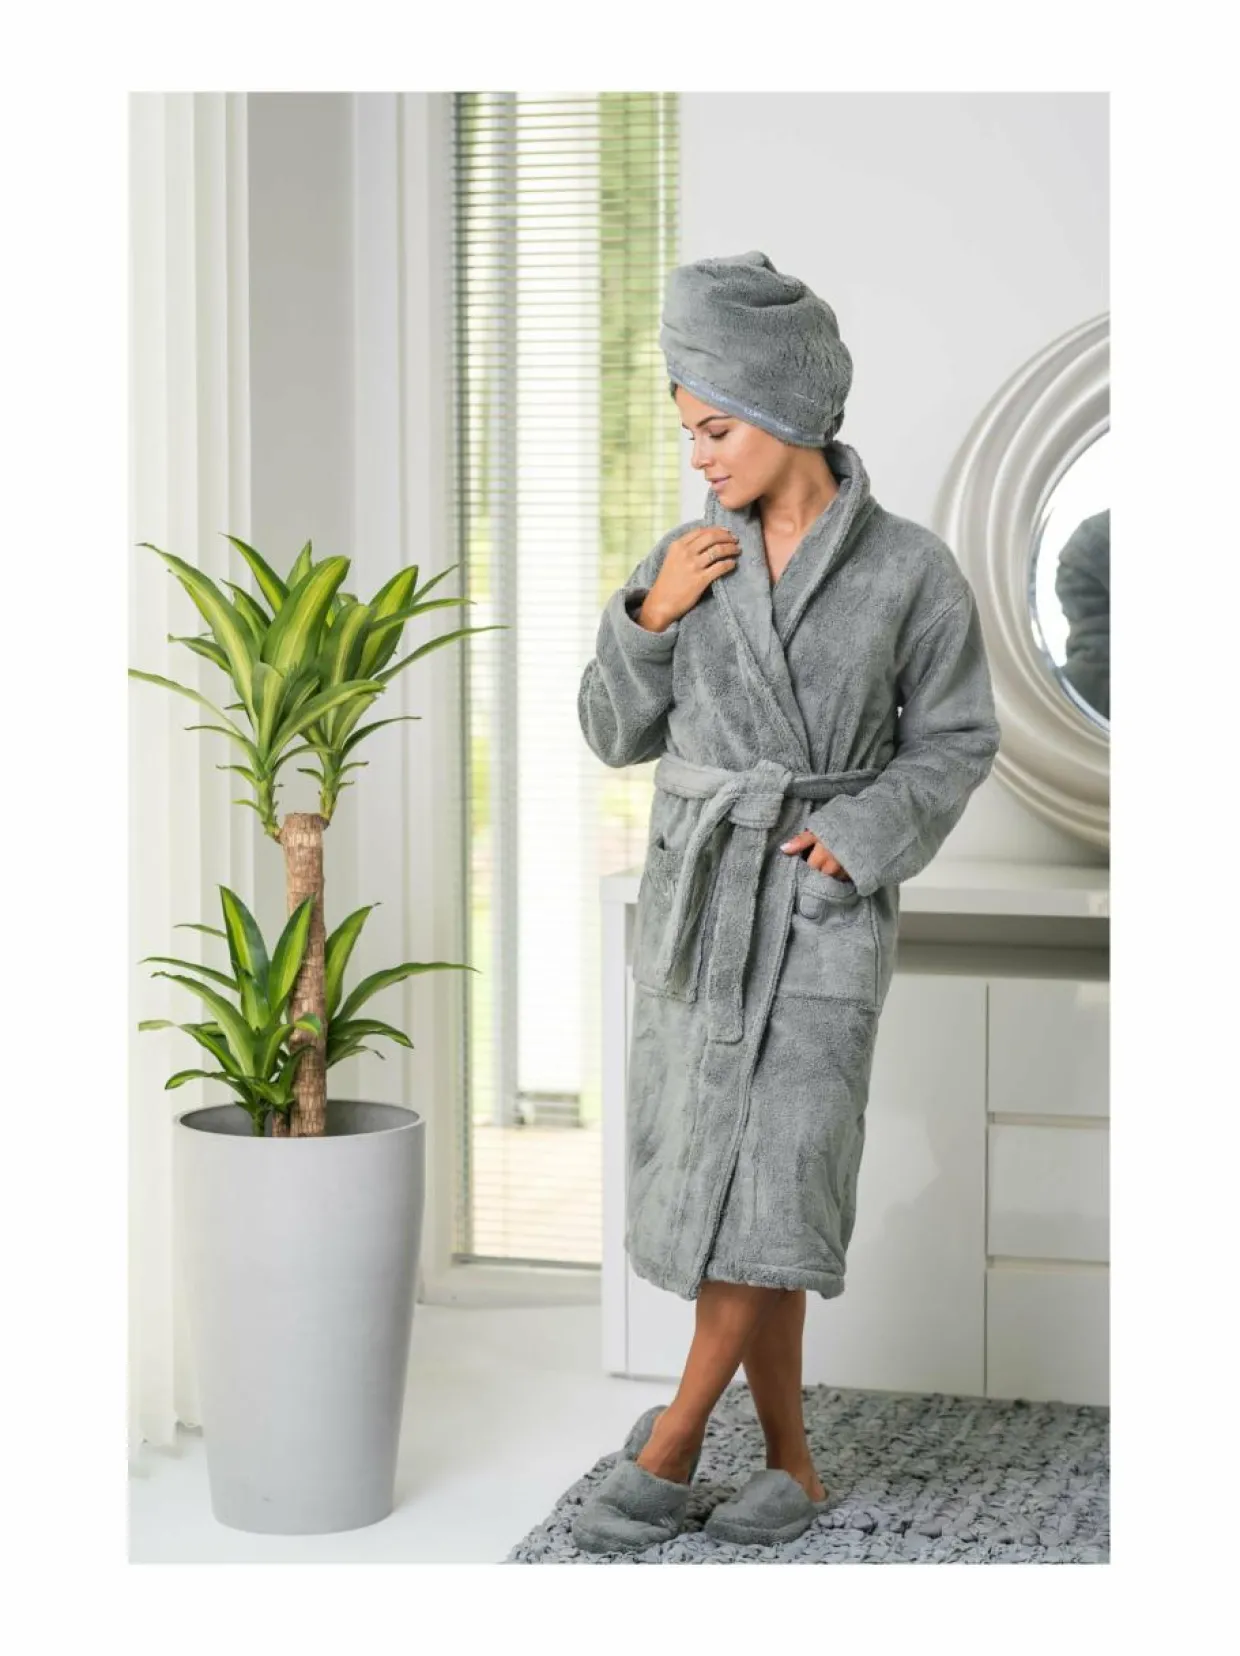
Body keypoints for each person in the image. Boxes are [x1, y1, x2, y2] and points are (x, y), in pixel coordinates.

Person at [573, 251, 1002, 1553]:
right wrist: (649, 618)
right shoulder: (685, 558)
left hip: (819, 914)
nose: (699, 455)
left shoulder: (912, 571)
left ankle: (672, 1440)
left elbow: (958, 739)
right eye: (688, 431)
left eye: (717, 427)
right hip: (704, 906)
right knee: (736, 1196)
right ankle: (795, 1464)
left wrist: (856, 836)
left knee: (779, 1186)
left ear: (788, 409)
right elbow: (610, 732)